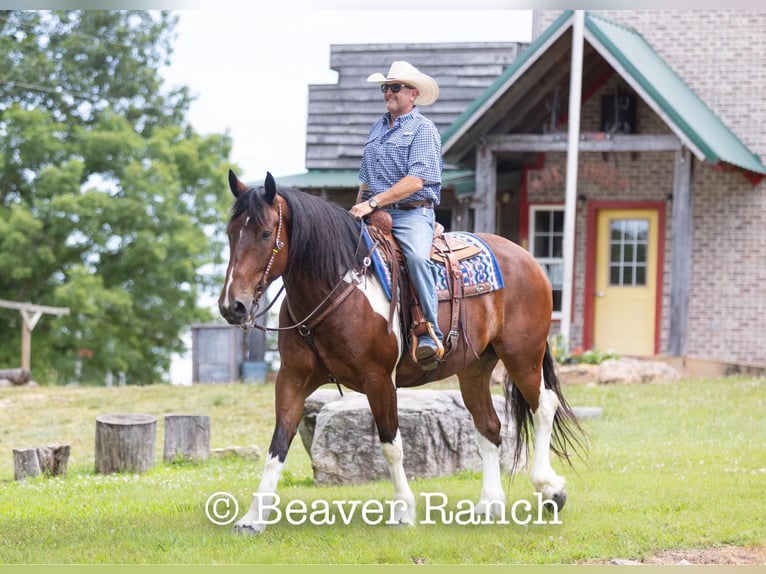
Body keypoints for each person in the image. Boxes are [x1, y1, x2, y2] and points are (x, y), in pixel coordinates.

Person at [350, 61, 444, 370]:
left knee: (416, 258)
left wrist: (373, 203)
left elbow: (415, 181)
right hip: (375, 212)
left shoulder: (423, 130)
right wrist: (359, 206)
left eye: (395, 88)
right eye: (385, 88)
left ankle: (430, 331)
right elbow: (367, 176)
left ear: (413, 94)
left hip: (412, 214)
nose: (388, 93)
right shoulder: (377, 128)